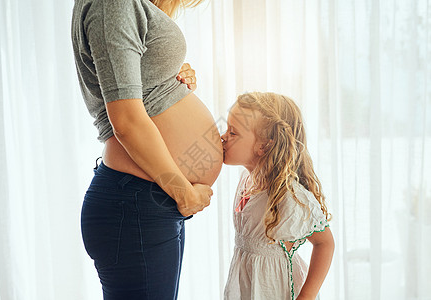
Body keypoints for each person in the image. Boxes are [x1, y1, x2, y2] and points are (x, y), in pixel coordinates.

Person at [71, 0, 223, 299]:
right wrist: (184, 192)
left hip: (147, 199)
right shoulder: (111, 4)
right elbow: (126, 121)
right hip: (137, 202)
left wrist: (172, 77)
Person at [221, 92, 335, 300]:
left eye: (233, 132)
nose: (223, 137)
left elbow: (325, 243)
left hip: (275, 289)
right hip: (246, 286)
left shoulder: (288, 196)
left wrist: (306, 296)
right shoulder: (245, 181)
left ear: (264, 146)